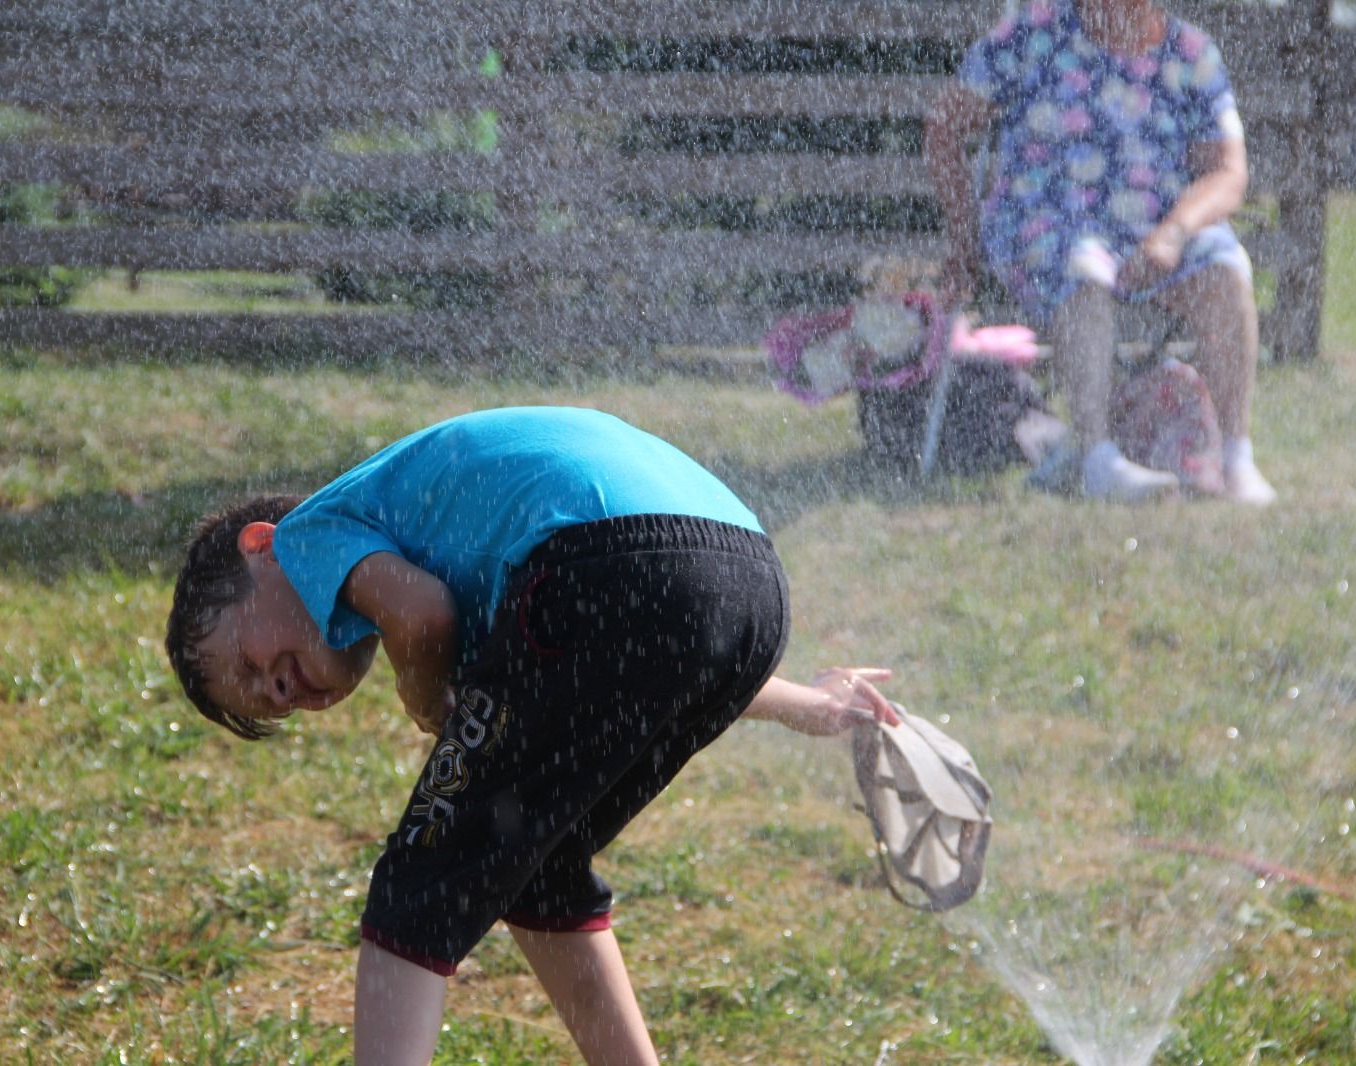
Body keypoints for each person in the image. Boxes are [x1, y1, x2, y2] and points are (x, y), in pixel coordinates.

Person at [164, 405, 897, 1065]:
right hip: (747, 587)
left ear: (258, 548)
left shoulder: (310, 532)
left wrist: (423, 692)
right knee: (539, 864)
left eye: (249, 664)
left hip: (598, 564)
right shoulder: (462, 545)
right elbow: (651, 632)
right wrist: (809, 704)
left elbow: (421, 616)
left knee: (419, 884)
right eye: (270, 706)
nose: (280, 692)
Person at [924, 0, 1277, 504]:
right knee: (1084, 266)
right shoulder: (1033, 30)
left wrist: (1172, 234)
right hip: (1047, 220)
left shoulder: (1191, 53)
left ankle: (1235, 458)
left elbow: (1227, 171)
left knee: (1224, 266)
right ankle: (1097, 457)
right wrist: (963, 239)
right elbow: (945, 125)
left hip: (1157, 226)